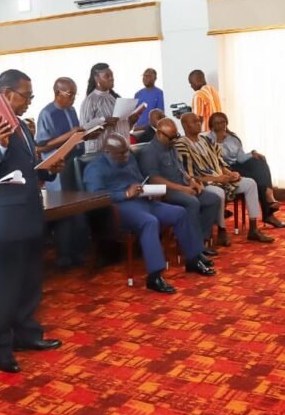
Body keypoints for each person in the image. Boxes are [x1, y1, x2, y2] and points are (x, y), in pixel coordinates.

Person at [0, 69, 64, 373]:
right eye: (27, 96)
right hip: (3, 219)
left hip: (29, 214)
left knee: (30, 282)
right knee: (5, 288)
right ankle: (1, 348)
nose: (29, 102)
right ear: (7, 93)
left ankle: (26, 335)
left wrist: (49, 168)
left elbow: (27, 167)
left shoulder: (21, 124)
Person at [84, 135, 215, 294]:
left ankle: (193, 259)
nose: (126, 156)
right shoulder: (94, 168)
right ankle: (154, 276)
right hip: (120, 208)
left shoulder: (129, 158)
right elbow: (95, 197)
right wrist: (125, 193)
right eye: (121, 153)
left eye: (127, 152)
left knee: (180, 212)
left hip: (144, 201)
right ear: (107, 151)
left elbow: (140, 179)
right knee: (149, 221)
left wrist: (146, 190)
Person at [176, 112, 273, 244]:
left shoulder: (207, 140)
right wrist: (217, 179)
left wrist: (229, 173)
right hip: (204, 182)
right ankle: (222, 230)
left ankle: (254, 229)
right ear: (185, 126)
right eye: (194, 121)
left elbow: (221, 162)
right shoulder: (181, 144)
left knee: (250, 183)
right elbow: (189, 175)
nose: (199, 123)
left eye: (199, 121)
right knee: (218, 193)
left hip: (220, 178)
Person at [137, 117, 222, 250]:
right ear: (159, 134)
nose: (174, 140)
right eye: (171, 137)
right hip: (166, 191)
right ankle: (193, 247)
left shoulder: (171, 147)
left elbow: (181, 169)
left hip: (182, 186)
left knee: (213, 199)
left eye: (175, 136)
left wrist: (192, 181)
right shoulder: (149, 152)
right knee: (192, 202)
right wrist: (182, 188)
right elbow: (154, 179)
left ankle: (202, 240)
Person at [36, 77, 89, 268]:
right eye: (70, 94)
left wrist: (86, 134)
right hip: (56, 169)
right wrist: (70, 135)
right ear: (58, 93)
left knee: (77, 208)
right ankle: (63, 256)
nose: (74, 98)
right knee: (62, 212)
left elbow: (75, 137)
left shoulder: (72, 110)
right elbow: (41, 146)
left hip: (74, 164)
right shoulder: (46, 113)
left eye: (75, 94)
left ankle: (78, 252)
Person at [206, 112, 285, 228]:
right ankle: (268, 213)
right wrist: (219, 141)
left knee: (259, 161)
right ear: (212, 126)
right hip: (224, 169)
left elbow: (241, 158)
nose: (221, 125)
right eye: (217, 123)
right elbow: (213, 159)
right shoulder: (207, 139)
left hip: (237, 165)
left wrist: (253, 153)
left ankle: (269, 195)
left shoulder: (233, 138)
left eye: (223, 122)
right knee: (257, 179)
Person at [80, 62, 143, 154]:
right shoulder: (89, 101)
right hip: (102, 154)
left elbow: (122, 128)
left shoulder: (114, 98)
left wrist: (132, 121)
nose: (111, 78)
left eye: (112, 75)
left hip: (122, 151)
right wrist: (104, 122)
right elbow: (83, 132)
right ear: (97, 78)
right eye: (107, 76)